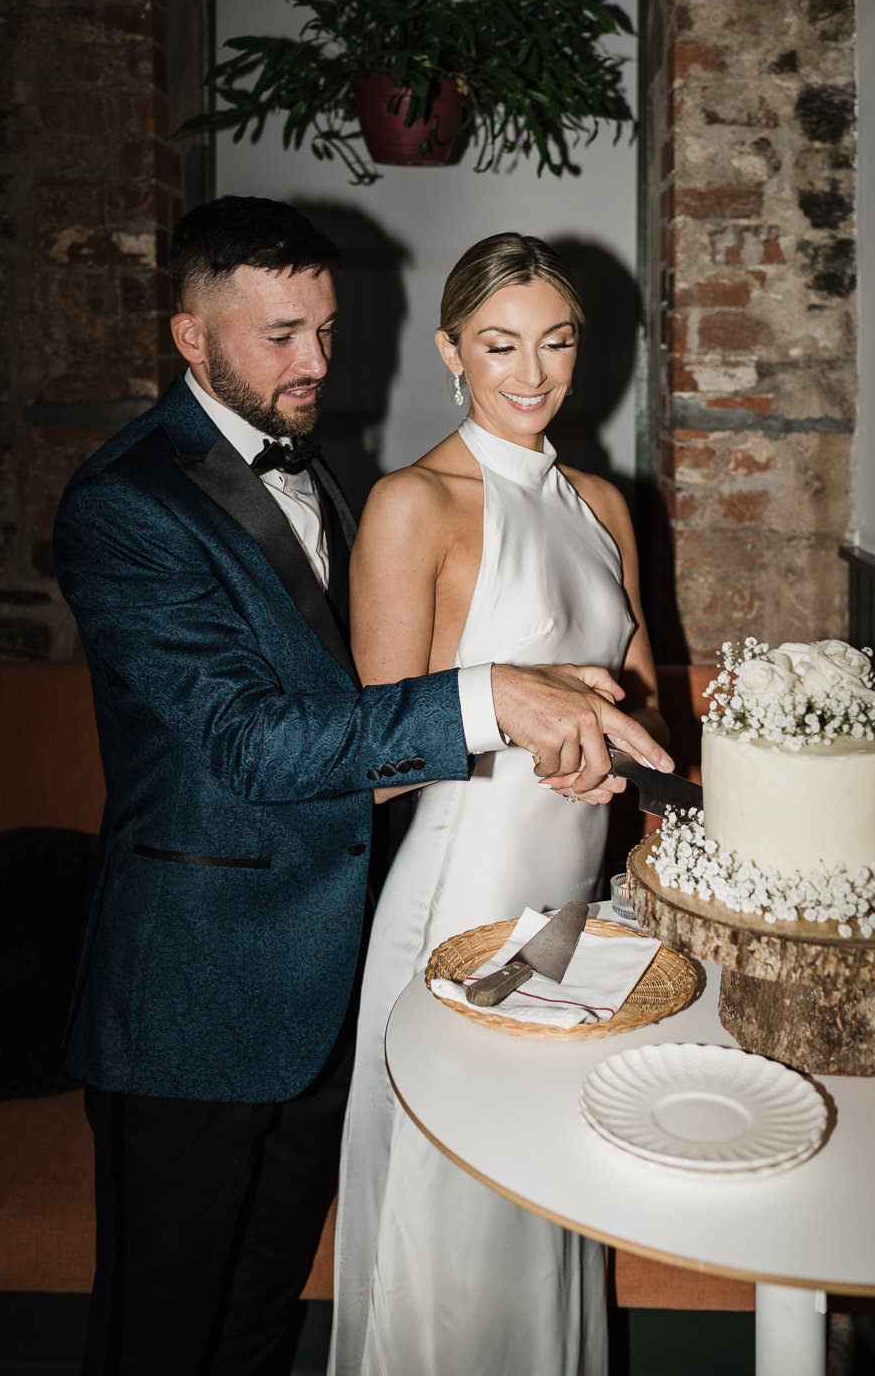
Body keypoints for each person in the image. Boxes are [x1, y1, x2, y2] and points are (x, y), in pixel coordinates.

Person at [51, 198, 672, 1376]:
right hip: (196, 987)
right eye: (279, 336)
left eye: (328, 331)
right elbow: (250, 741)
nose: (315, 364)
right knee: (158, 1335)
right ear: (190, 338)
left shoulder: (321, 472)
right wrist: (501, 698)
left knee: (258, 1317)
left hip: (332, 970)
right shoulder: (125, 503)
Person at [328, 232, 667, 1376]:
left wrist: (610, 755)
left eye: (556, 343)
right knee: (456, 1216)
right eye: (498, 344)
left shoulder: (604, 505)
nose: (530, 373)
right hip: (460, 892)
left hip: (569, 903)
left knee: (545, 1195)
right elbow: (378, 754)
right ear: (449, 352)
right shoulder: (411, 503)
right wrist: (525, 715)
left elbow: (646, 713)